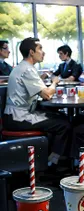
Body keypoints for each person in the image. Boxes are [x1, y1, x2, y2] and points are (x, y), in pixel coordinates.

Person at [3, 37, 71, 168]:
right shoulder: (27, 69)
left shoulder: (24, 67)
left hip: (15, 114)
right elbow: (47, 94)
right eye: (40, 48)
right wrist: (55, 82)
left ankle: (50, 158)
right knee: (64, 125)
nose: (43, 52)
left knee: (59, 117)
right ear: (31, 52)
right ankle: (52, 164)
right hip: (17, 118)